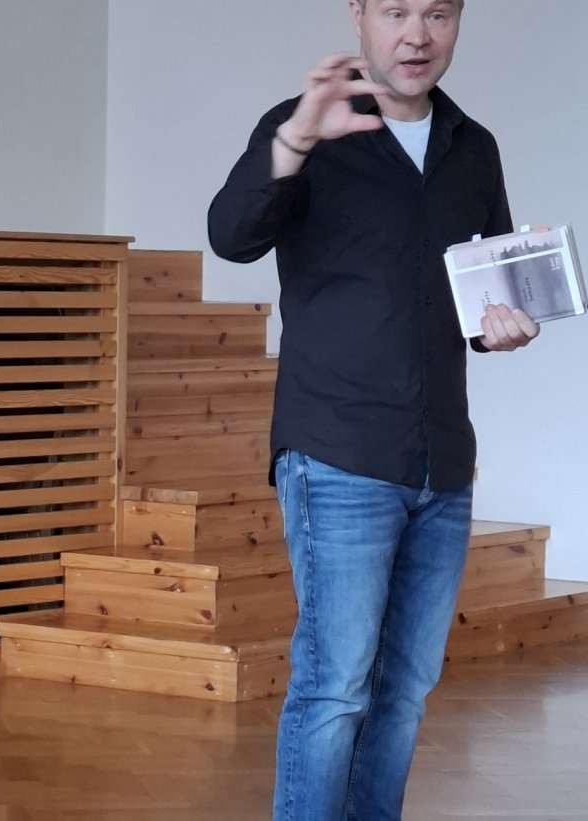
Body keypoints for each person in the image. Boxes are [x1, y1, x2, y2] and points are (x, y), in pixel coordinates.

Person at [208, 1, 539, 818]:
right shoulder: (304, 130)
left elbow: (480, 301)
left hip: (442, 459)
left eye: (438, 14)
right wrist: (296, 138)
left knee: (405, 691)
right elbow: (230, 234)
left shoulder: (474, 147)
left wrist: (504, 328)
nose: (417, 35)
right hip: (337, 451)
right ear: (357, 15)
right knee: (335, 687)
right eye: (396, 11)